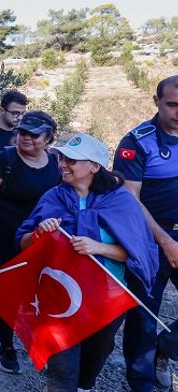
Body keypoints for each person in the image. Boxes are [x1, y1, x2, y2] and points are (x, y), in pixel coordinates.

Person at [17, 133, 158, 392]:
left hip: (106, 299)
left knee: (94, 360)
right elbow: (24, 243)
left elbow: (140, 253)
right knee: (62, 371)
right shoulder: (53, 197)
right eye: (61, 158)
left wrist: (99, 247)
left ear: (94, 166)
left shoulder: (120, 201)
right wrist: (39, 234)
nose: (62, 164)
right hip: (60, 299)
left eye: (72, 160)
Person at [0, 111, 61, 374]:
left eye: (33, 134)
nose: (26, 138)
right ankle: (7, 346)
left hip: (42, 238)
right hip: (3, 236)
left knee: (42, 293)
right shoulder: (4, 159)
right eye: (22, 132)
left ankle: (42, 343)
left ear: (48, 138)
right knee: (8, 295)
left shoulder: (57, 163)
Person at [116, 75, 178, 392]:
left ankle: (166, 347)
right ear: (156, 102)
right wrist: (166, 241)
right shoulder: (137, 141)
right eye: (172, 105)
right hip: (151, 238)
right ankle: (141, 383)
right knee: (143, 315)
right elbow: (129, 199)